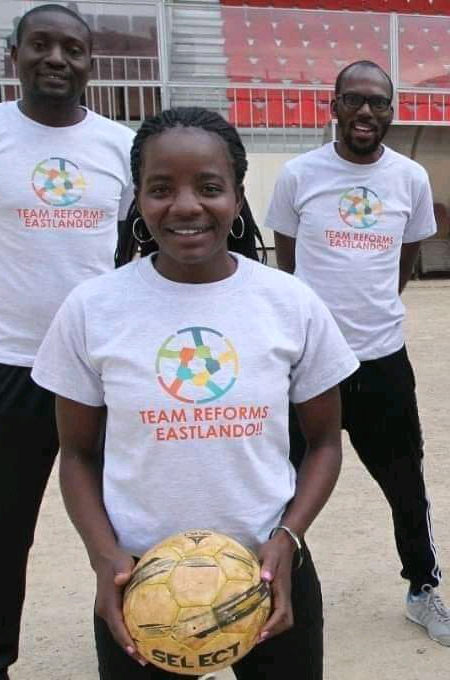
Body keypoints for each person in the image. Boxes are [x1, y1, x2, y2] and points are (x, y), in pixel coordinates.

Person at [31, 106, 359, 680]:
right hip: (140, 578)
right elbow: (77, 454)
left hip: (266, 569)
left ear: (236, 196)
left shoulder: (290, 303)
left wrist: (288, 538)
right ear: (138, 197)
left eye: (209, 187)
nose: (185, 206)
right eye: (161, 189)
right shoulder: (93, 308)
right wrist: (104, 555)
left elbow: (325, 442)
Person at [0, 5, 135, 680]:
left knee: (127, 524)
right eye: (41, 45)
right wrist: (14, 303)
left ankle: (139, 649)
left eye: (73, 49)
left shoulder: (119, 145)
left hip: (100, 370)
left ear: (90, 63)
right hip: (9, 365)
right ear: (15, 55)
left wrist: (79, 326)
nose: (56, 58)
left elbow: (120, 252)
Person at [265, 59, 450, 646]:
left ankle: (423, 590)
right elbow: (287, 266)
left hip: (382, 359)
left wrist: (370, 314)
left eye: (379, 102)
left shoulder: (411, 179)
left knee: (405, 483)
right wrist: (317, 327)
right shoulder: (299, 175)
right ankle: (272, 583)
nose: (367, 112)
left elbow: (405, 257)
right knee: (280, 484)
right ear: (335, 105)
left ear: (392, 112)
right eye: (355, 100)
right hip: (309, 365)